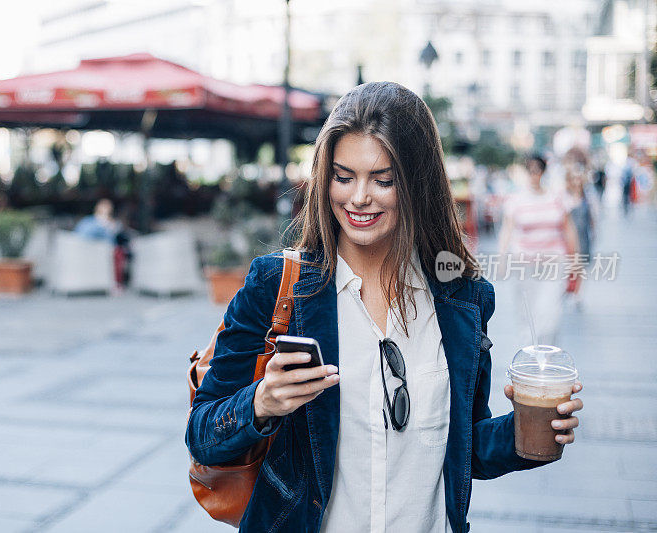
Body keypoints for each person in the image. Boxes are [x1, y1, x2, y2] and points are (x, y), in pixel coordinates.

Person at [186, 83, 583, 532]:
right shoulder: (277, 287)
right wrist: (261, 403)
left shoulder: (463, 298)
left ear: (417, 183)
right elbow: (203, 435)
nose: (358, 197)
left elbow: (463, 446)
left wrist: (524, 434)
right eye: (343, 176)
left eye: (383, 180)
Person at [497, 154, 580, 347]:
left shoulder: (557, 198)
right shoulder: (515, 200)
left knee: (550, 316)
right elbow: (507, 230)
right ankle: (531, 359)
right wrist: (502, 257)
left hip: (554, 265)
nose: (534, 175)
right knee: (527, 315)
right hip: (525, 267)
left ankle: (548, 353)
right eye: (530, 170)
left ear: (543, 172)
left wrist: (575, 259)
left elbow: (569, 229)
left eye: (538, 170)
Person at [564, 167, 596, 308]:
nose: (576, 181)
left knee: (581, 266)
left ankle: (577, 293)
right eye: (574, 178)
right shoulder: (564, 197)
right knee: (568, 265)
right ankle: (567, 289)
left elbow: (592, 218)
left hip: (583, 237)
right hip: (566, 238)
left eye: (579, 178)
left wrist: (593, 232)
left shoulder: (587, 197)